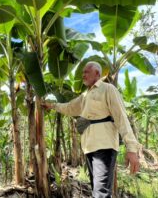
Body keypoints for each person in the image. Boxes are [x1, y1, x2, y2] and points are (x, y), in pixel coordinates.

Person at [42, 61, 140, 198]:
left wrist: (132, 148)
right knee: (97, 189)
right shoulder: (85, 95)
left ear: (97, 74)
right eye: (83, 72)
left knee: (100, 192)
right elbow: (69, 107)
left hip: (104, 145)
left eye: (86, 72)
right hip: (89, 146)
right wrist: (52, 106)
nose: (83, 75)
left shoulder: (107, 89)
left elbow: (121, 117)